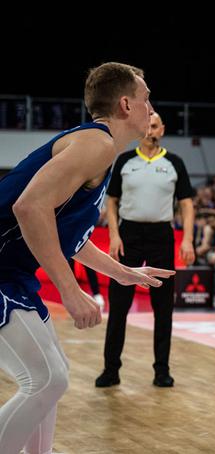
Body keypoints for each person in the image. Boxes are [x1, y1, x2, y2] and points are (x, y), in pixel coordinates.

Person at [0, 62, 175, 454]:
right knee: (45, 381)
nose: (151, 108)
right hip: (2, 273)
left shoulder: (101, 151)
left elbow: (71, 240)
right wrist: (70, 290)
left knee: (51, 378)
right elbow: (30, 208)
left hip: (11, 273)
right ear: (126, 105)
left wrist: (123, 272)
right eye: (147, 99)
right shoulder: (95, 144)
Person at [96, 112, 195, 388]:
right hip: (129, 235)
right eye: (147, 125)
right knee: (119, 304)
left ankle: (161, 370)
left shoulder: (175, 163)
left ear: (162, 129)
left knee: (163, 307)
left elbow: (186, 204)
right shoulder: (125, 161)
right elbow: (112, 201)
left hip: (161, 234)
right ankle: (110, 369)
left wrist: (187, 239)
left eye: (154, 125)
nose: (150, 129)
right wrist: (114, 235)